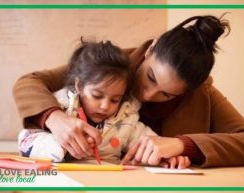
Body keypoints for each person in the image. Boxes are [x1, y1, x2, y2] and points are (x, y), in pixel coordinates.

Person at [13, 14, 244, 168]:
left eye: (167, 94)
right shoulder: (109, 65)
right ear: (151, 49)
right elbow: (29, 82)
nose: (146, 95)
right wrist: (57, 119)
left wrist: (182, 145)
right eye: (150, 77)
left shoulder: (202, 93)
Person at [17, 40, 190, 168]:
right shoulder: (60, 105)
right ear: (80, 85)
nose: (105, 106)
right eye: (97, 95)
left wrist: (165, 157)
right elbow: (26, 140)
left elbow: (149, 143)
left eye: (115, 99)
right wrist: (60, 147)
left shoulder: (127, 119)